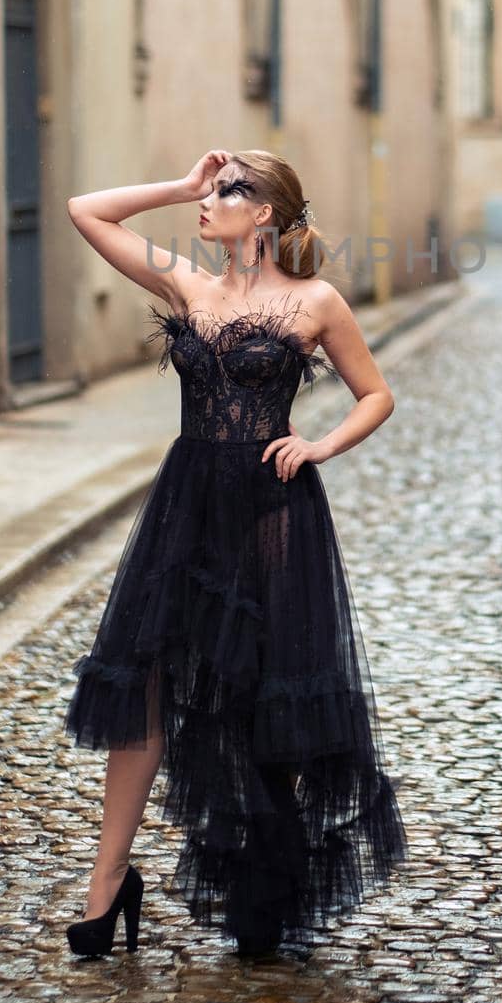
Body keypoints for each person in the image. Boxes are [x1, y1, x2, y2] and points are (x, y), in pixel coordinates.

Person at [62, 148, 407, 960]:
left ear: (264, 217)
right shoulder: (189, 285)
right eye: (209, 192)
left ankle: (265, 882)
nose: (207, 203)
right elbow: (87, 209)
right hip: (187, 505)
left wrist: (319, 445)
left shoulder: (315, 301)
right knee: (142, 681)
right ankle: (106, 885)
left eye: (225, 192)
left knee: (263, 692)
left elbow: (377, 394)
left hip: (271, 511)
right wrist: (179, 184)